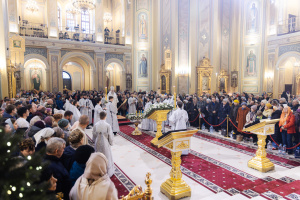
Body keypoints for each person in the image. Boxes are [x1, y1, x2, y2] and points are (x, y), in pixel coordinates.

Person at [92, 111, 114, 177]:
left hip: (97, 141)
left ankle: (98, 170)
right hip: (105, 142)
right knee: (106, 155)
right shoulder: (107, 125)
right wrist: (111, 142)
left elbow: (94, 134)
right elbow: (110, 135)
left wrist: (94, 140)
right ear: (105, 116)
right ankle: (107, 171)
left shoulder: (96, 124)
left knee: (98, 155)